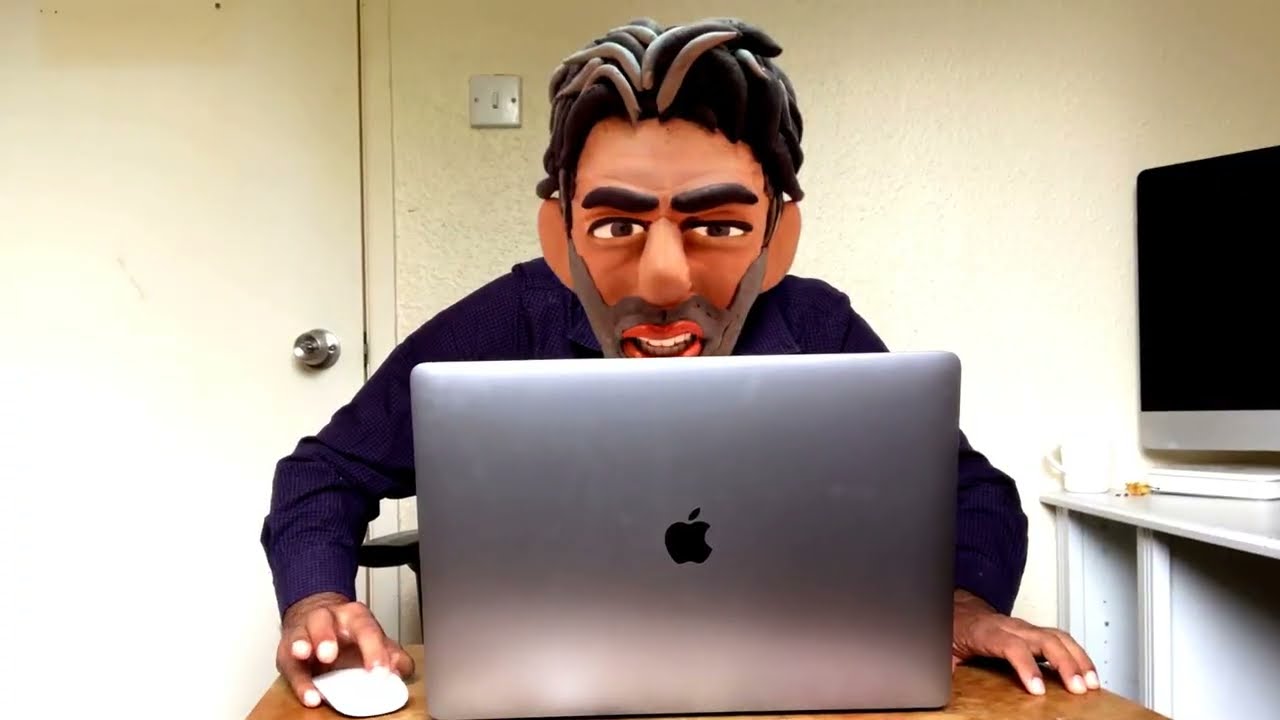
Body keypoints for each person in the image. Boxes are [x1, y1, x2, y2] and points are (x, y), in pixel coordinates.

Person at [261, 16, 1099, 709]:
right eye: (617, 226)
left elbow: (969, 490)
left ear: (777, 236)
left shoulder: (817, 323)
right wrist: (319, 599)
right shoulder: (509, 317)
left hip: (786, 687)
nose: (663, 279)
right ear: (560, 235)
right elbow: (323, 472)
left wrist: (964, 604)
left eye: (719, 226)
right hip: (547, 693)